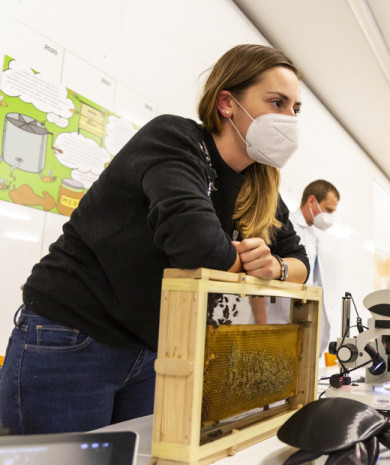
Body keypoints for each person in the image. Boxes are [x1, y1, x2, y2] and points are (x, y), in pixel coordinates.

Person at [0, 44, 311, 435]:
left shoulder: (261, 186)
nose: (288, 119)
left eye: (295, 110)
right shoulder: (174, 139)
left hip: (152, 352)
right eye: (277, 102)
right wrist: (253, 266)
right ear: (227, 103)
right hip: (72, 337)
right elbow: (197, 249)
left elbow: (299, 261)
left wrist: (277, 267)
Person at [289, 179, 340, 356]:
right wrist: (262, 319)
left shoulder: (311, 235)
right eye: (328, 210)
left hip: (299, 316)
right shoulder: (288, 225)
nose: (330, 217)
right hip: (279, 315)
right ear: (311, 201)